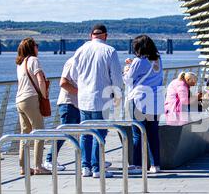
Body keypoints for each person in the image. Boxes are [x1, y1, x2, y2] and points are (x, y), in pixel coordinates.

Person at [69, 24, 123, 179]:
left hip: (84, 98)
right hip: (103, 98)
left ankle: (85, 167)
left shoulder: (80, 50)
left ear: (90, 35)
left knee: (86, 133)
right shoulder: (110, 51)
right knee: (100, 134)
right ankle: (97, 168)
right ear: (105, 35)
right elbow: (117, 79)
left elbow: (73, 75)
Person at [124, 35, 164, 174]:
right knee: (153, 133)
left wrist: (127, 68)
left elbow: (128, 80)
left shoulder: (138, 61)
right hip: (156, 100)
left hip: (141, 100)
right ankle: (155, 165)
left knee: (138, 133)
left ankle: (137, 165)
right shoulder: (158, 59)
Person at [15, 38, 51, 176]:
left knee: (25, 133)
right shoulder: (33, 61)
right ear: (32, 48)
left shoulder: (20, 63)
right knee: (39, 131)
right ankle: (38, 166)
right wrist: (44, 96)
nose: (38, 48)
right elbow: (40, 80)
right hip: (30, 99)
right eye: (37, 46)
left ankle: (24, 166)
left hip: (20, 99)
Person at [43, 57, 80, 171]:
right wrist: (81, 93)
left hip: (79, 104)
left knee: (84, 133)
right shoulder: (72, 62)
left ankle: (92, 160)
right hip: (68, 103)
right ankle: (49, 159)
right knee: (63, 133)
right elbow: (63, 83)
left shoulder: (84, 62)